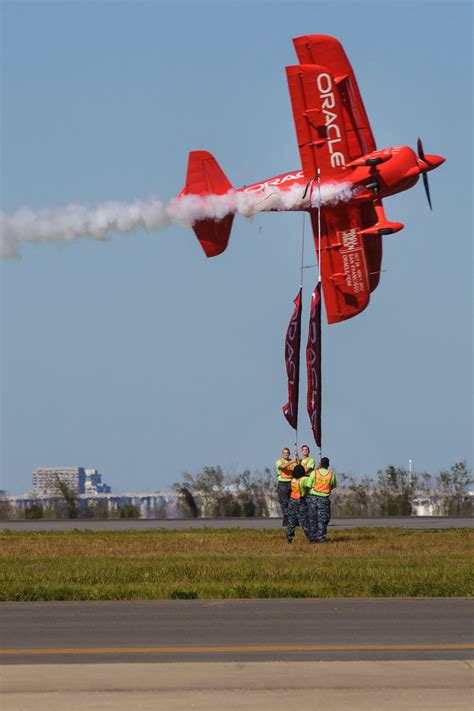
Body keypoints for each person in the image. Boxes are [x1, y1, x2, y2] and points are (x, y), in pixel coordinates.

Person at [306, 456, 337, 542]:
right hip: (324, 499)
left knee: (312, 518)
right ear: (328, 465)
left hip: (313, 498)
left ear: (320, 464)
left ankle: (312, 537)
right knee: (322, 519)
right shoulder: (331, 474)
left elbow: (309, 485)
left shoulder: (314, 473)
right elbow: (333, 486)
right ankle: (321, 537)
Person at [286, 464, 311, 544]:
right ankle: (310, 538)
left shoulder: (293, 480)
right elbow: (311, 482)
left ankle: (289, 538)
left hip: (292, 501)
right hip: (300, 502)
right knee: (304, 522)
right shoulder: (304, 479)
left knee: (291, 521)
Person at [275, 447, 297, 526]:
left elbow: (297, 467)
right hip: (282, 484)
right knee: (284, 502)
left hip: (291, 483)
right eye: (284, 453)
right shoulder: (279, 461)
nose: (286, 454)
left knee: (293, 502)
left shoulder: (292, 461)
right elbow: (282, 467)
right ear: (282, 454)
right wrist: (292, 461)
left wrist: (296, 458)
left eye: (287, 453)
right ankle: (286, 518)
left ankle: (293, 519)